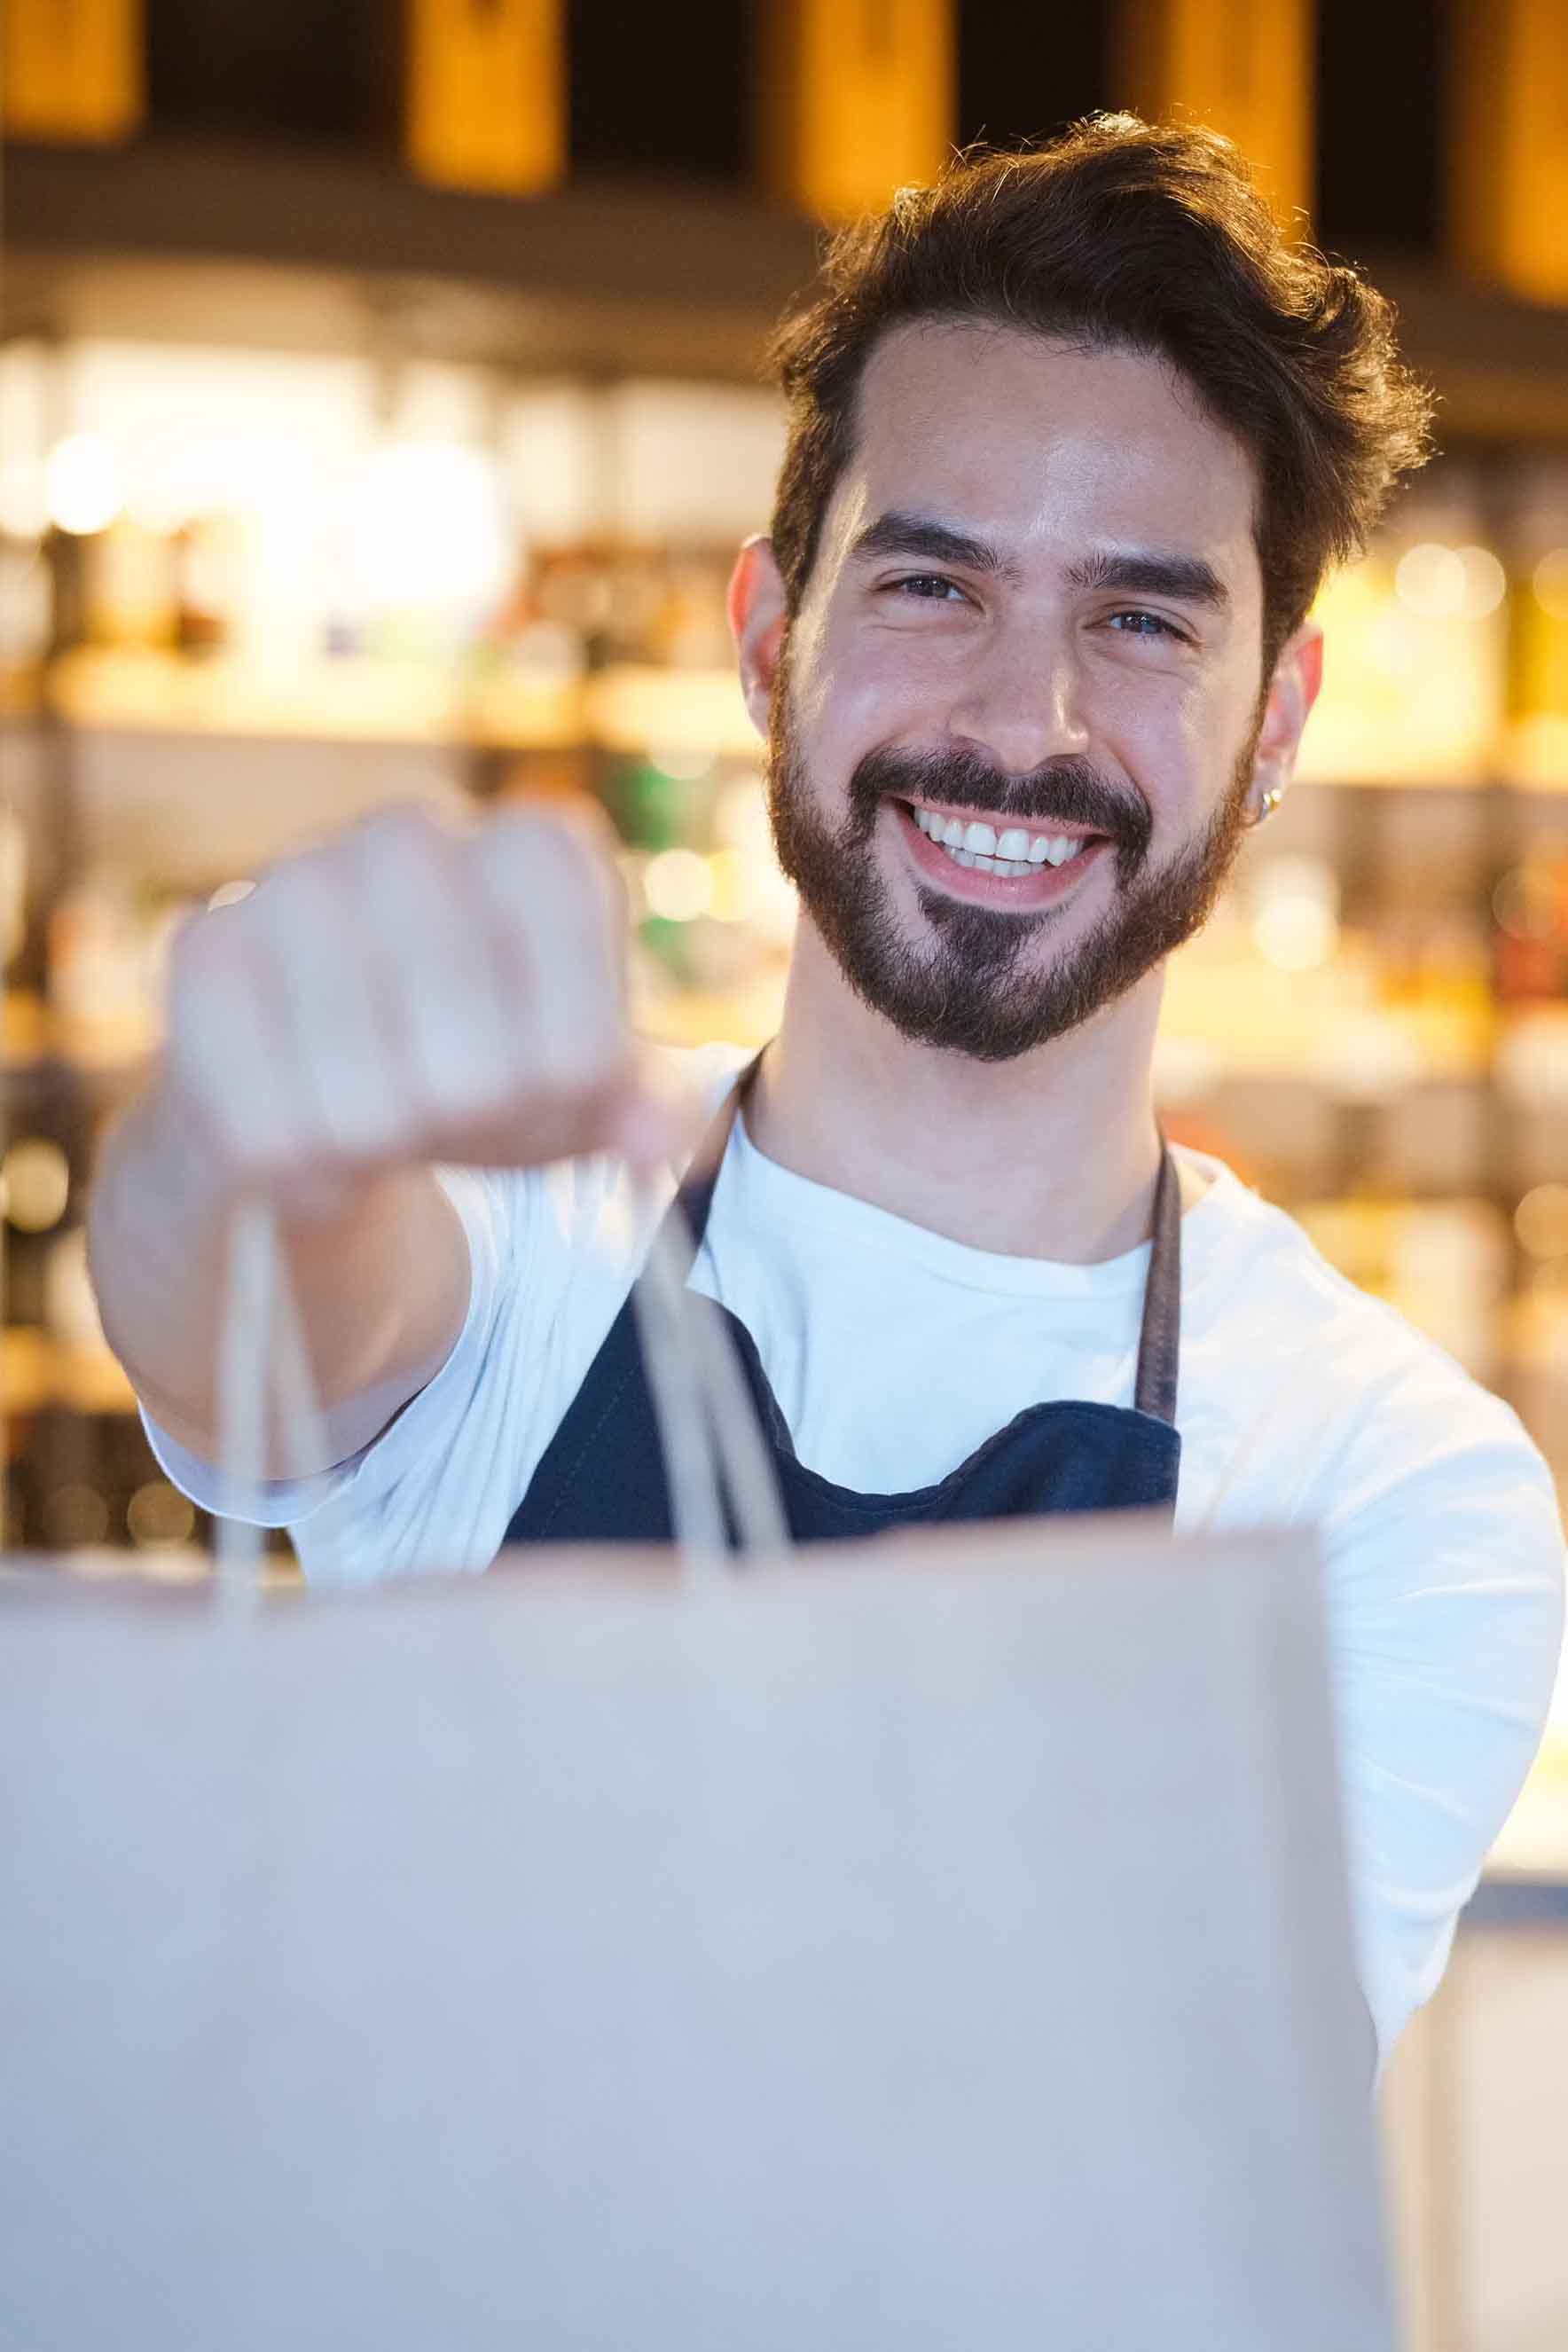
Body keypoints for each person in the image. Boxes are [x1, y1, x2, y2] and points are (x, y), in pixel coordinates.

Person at [88, 116, 1563, 2063]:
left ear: (1272, 719)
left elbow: (1149, 2171)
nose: (1017, 727)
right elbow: (225, 1292)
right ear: (770, 639)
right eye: (931, 587)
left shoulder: (1386, 1490)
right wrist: (234, 1104)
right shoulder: (526, 1237)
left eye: (1136, 619)